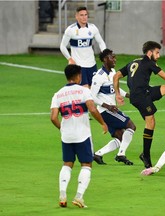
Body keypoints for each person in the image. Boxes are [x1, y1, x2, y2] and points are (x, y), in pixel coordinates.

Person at [113, 41, 165, 168]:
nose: (158, 56)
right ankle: (146, 155)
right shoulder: (149, 62)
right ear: (150, 52)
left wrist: (117, 94)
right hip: (141, 97)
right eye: (157, 52)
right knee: (151, 122)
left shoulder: (133, 62)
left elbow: (116, 76)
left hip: (144, 92)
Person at [50, 64, 108, 208]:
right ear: (78, 76)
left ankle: (62, 194)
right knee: (86, 164)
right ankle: (79, 197)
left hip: (66, 136)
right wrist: (102, 123)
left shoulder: (58, 94)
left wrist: (62, 128)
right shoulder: (83, 90)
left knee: (67, 164)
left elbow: (53, 117)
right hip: (82, 135)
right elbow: (92, 109)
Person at [91, 49, 136, 165]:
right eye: (112, 57)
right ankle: (121, 155)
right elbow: (91, 96)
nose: (115, 60)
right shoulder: (98, 77)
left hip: (110, 110)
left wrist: (127, 95)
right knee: (131, 126)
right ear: (105, 60)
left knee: (120, 137)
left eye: (115, 57)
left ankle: (98, 154)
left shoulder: (113, 73)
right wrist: (108, 106)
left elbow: (115, 89)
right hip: (105, 111)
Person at [60, 6, 106, 88]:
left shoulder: (92, 28)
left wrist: (105, 54)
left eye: (86, 15)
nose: (84, 17)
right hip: (79, 65)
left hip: (92, 64)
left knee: (94, 89)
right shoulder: (70, 30)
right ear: (76, 16)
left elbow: (101, 42)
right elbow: (62, 46)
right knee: (84, 89)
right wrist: (69, 59)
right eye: (81, 15)